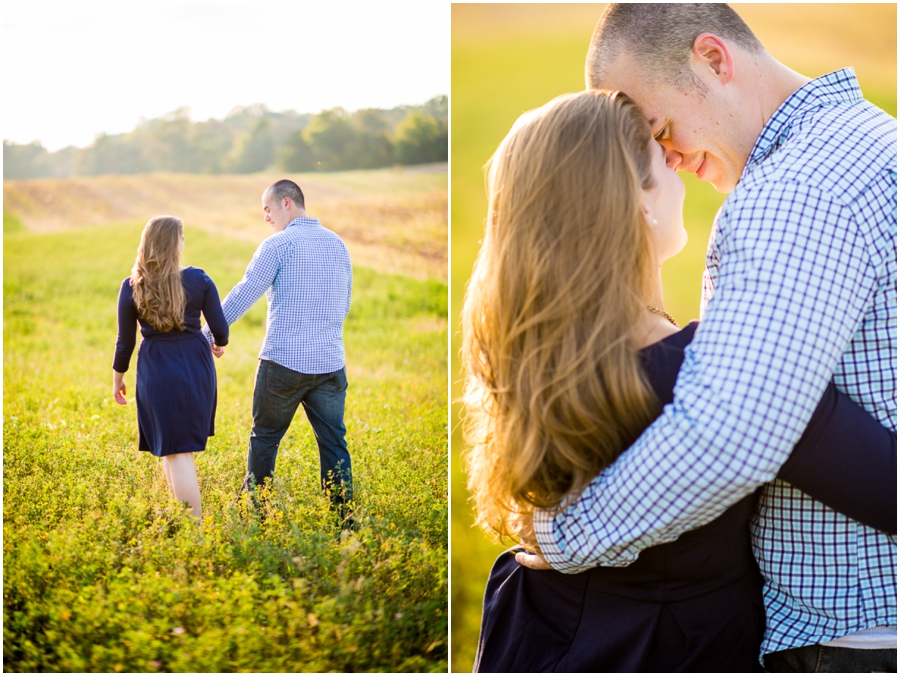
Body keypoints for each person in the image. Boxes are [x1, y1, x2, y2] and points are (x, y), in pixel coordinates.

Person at [462, 90, 896, 671]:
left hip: (537, 632)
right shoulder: (708, 367)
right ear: (630, 204)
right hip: (670, 647)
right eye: (656, 158)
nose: (674, 162)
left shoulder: (528, 357)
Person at [203, 179, 353, 521]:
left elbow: (245, 293)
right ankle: (344, 520)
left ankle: (252, 514)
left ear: (287, 203)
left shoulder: (277, 246)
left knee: (265, 439)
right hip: (330, 365)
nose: (266, 218)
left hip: (283, 363)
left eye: (268, 209)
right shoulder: (338, 244)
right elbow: (344, 303)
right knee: (334, 444)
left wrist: (210, 334)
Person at [113, 215, 229, 522]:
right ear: (173, 243)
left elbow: (124, 342)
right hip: (195, 367)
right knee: (174, 448)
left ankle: (193, 530)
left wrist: (118, 379)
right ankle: (188, 524)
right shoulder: (199, 279)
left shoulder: (132, 286)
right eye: (181, 237)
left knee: (176, 449)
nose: (183, 243)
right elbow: (220, 328)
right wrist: (218, 343)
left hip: (156, 371)